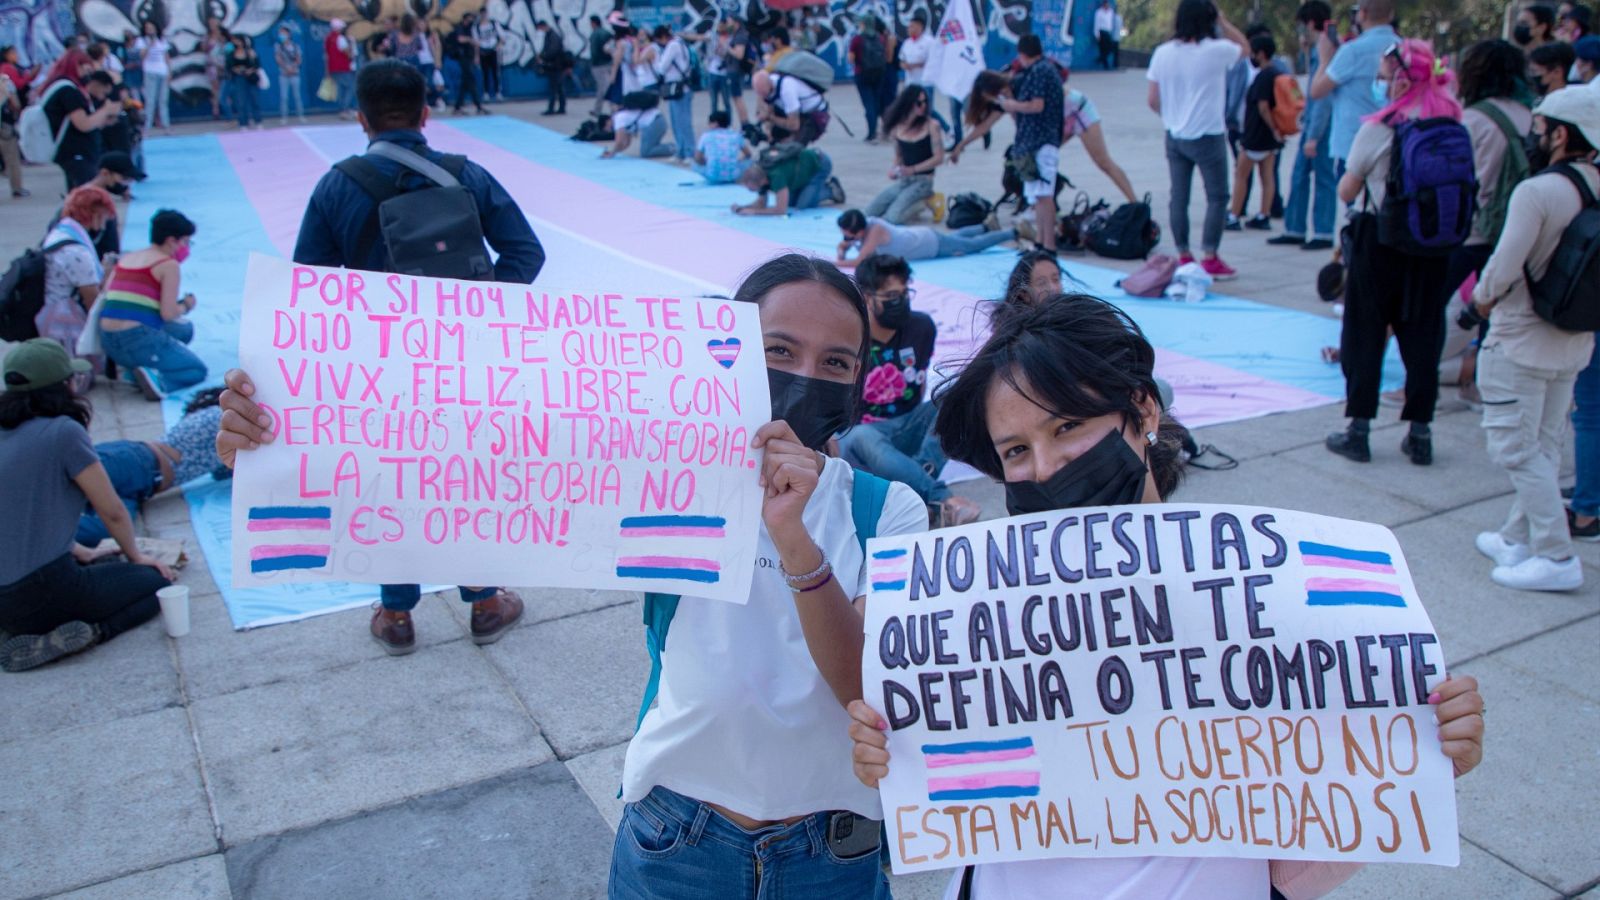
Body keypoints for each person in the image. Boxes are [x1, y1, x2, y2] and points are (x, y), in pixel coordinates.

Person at [845, 294, 1486, 900]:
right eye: (1016, 450)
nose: (1043, 467)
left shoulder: (1264, 594)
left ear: (1144, 411)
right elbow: (950, 790)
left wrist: (1412, 758)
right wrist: (897, 755)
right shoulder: (970, 607)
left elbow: (1296, 848)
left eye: (1066, 425)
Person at [606, 253, 926, 899]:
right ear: (729, 350)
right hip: (675, 838)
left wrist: (793, 536)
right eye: (778, 350)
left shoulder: (889, 510)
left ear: (858, 380)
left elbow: (865, 683)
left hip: (831, 854)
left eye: (835, 362)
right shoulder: (669, 480)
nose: (806, 377)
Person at [225, 59, 542, 654]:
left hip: (377, 366)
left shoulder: (336, 185)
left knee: (388, 475)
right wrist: (481, 307)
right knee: (465, 471)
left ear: (360, 118)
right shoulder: (467, 175)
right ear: (426, 114)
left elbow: (309, 287)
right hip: (464, 356)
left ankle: (396, 613)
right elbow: (526, 252)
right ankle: (486, 599)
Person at [1469, 86, 1598, 591]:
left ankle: (1556, 556)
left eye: (1541, 130)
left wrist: (1479, 301)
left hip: (1520, 339)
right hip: (1573, 340)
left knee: (1517, 450)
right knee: (1542, 446)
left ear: (1562, 134)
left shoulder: (1539, 191)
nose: (1535, 138)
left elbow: (1502, 269)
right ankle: (1517, 536)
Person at [1326, 40, 1464, 467]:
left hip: (1379, 240)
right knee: (1424, 335)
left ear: (1402, 77)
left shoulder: (1381, 128)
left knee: (1365, 334)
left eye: (1385, 75)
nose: (1382, 83)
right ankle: (1420, 434)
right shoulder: (1453, 125)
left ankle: (1359, 430)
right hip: (1433, 244)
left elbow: (1348, 188)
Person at [0, 339, 175, 673]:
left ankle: (19, 628)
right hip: (46, 590)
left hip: (5, 598)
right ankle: (92, 633)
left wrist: (81, 550)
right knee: (156, 585)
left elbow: (21, 516)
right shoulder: (63, 432)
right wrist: (137, 557)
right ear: (65, 386)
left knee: (89, 569)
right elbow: (110, 510)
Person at [838, 255, 980, 527]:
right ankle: (940, 498)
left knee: (958, 394)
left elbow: (920, 381)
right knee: (864, 436)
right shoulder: (847, 334)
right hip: (857, 436)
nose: (901, 301)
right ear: (867, 298)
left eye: (905, 293)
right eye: (891, 295)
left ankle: (916, 477)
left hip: (905, 424)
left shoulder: (921, 327)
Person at [1146, 0, 1249, 279]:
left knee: (1179, 196)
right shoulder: (1217, 50)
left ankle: (1183, 254)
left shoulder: (1163, 53)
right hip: (1207, 133)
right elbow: (1246, 49)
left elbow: (1152, 99)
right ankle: (1210, 255)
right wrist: (1224, 22)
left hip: (1175, 134)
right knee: (1217, 196)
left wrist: (1171, 116)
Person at [953, 35, 1065, 255]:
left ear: (1022, 54)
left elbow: (1037, 106)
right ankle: (1041, 242)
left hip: (1042, 141)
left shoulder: (1037, 72)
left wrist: (1011, 105)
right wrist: (961, 145)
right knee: (1038, 197)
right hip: (1033, 144)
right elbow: (984, 126)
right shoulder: (1029, 76)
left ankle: (1048, 245)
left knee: (1044, 196)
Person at [78, 388, 227, 545]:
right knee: (68, 480)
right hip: (135, 464)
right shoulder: (219, 417)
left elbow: (223, 474)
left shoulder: (229, 435)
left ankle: (52, 535)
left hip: (142, 484)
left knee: (108, 529)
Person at [98, 209, 206, 400]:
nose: (186, 248)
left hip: (107, 338)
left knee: (184, 330)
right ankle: (156, 380)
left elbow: (109, 296)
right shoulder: (168, 265)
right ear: (172, 240)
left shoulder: (128, 258)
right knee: (195, 369)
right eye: (186, 242)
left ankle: (135, 367)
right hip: (135, 337)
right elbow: (168, 313)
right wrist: (186, 305)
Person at [1270, 1, 1339, 250]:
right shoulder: (1317, 49)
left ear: (1310, 23)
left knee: (1322, 177)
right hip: (1313, 122)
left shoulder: (1328, 50)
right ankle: (1295, 227)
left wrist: (1314, 135)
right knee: (1299, 175)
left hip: (1320, 125)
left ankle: (1322, 231)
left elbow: (1322, 97)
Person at [1310, 0, 1400, 175]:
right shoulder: (1403, 47)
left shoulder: (1352, 51)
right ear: (1391, 15)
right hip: (1392, 139)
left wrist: (1324, 61)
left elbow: (1317, 91)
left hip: (1353, 144)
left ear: (1362, 13)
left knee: (1353, 199)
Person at [36, 186, 115, 384]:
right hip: (63, 322)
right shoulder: (77, 251)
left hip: (50, 313)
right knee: (78, 379)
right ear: (95, 213)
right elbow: (93, 302)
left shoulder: (62, 231)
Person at [1228, 34, 1286, 232]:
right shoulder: (1278, 73)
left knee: (1241, 175)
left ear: (1260, 54)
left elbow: (1262, 107)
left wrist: (1271, 127)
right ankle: (1264, 214)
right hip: (1270, 139)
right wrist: (1276, 131)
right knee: (1267, 176)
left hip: (1256, 135)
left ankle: (1234, 215)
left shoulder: (1263, 76)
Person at [863, 85, 945, 224]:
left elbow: (939, 157)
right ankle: (909, 203)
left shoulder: (932, 125)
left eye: (925, 102)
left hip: (923, 180)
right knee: (869, 212)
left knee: (893, 218)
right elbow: (899, 155)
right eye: (919, 103)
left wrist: (913, 169)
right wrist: (894, 170)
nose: (923, 106)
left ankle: (927, 201)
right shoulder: (898, 127)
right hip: (905, 180)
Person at [835, 207, 1029, 266]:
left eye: (850, 236)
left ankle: (1014, 232)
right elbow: (846, 246)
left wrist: (834, 263)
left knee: (971, 245)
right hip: (924, 239)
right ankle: (985, 226)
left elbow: (859, 261)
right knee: (958, 238)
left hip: (929, 244)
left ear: (859, 230)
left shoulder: (875, 230)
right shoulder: (864, 227)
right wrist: (843, 248)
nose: (849, 239)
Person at [42, 52, 121, 191]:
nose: (87, 74)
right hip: (75, 153)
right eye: (85, 69)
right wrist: (105, 110)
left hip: (78, 153)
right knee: (85, 196)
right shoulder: (68, 91)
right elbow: (83, 124)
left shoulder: (70, 89)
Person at [47, 149, 137, 258]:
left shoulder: (80, 198)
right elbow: (110, 247)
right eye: (124, 178)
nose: (125, 184)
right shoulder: (97, 205)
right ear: (105, 173)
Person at [733, 146, 840, 214]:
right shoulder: (760, 173)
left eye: (752, 189)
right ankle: (806, 189)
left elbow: (780, 210)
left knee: (802, 206)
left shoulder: (776, 176)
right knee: (790, 203)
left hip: (819, 165)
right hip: (801, 169)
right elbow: (761, 203)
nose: (751, 190)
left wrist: (753, 212)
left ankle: (830, 190)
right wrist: (742, 208)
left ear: (762, 182)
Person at [653, 25, 695, 164]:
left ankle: (689, 151)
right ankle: (681, 151)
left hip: (678, 87)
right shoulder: (680, 42)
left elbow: (661, 67)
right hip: (679, 87)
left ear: (664, 37)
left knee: (682, 122)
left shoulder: (672, 46)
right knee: (677, 121)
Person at [850, 15, 891, 141]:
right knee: (875, 102)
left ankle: (872, 132)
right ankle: (879, 129)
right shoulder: (880, 38)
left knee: (868, 104)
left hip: (863, 74)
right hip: (879, 74)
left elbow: (850, 58)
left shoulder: (857, 39)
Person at [693, 110, 751, 183]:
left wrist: (706, 162)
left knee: (694, 165)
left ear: (715, 124)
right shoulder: (736, 135)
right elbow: (748, 154)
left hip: (712, 176)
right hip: (733, 176)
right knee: (749, 162)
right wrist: (738, 160)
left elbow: (697, 158)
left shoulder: (706, 135)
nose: (708, 125)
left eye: (710, 123)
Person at [134, 22, 171, 132]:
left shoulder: (162, 40)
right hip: (150, 72)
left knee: (163, 100)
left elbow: (166, 56)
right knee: (150, 101)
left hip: (163, 72)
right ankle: (147, 127)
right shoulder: (141, 41)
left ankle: (166, 126)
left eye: (152, 28)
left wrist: (169, 72)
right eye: (147, 28)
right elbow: (142, 56)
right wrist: (149, 45)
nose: (150, 30)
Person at [448, 12, 486, 115]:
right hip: (463, 58)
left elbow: (476, 43)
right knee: (471, 81)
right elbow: (460, 39)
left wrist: (476, 56)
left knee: (465, 83)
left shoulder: (471, 29)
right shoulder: (460, 28)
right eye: (469, 19)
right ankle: (478, 106)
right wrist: (470, 40)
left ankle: (458, 107)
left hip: (469, 57)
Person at [226, 33, 263, 129]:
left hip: (250, 78)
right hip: (239, 78)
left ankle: (258, 121)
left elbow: (257, 64)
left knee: (255, 100)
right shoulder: (231, 53)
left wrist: (250, 70)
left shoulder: (250, 52)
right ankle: (243, 122)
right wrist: (237, 70)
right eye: (234, 41)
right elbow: (229, 66)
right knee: (241, 101)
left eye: (237, 40)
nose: (236, 42)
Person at [537, 20, 571, 115]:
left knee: (554, 88)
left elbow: (553, 51)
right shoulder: (551, 35)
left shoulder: (552, 36)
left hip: (556, 66)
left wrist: (543, 57)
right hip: (556, 66)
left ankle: (552, 108)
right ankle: (561, 108)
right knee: (559, 87)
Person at [324, 19, 356, 119]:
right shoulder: (340, 38)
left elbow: (326, 55)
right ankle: (344, 109)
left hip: (333, 68)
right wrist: (352, 45)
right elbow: (348, 54)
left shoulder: (328, 38)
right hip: (343, 67)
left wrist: (327, 70)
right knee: (350, 87)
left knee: (341, 89)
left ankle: (344, 109)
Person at [1, 68, 26, 199]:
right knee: (12, 159)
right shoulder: (5, 81)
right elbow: (15, 103)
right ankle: (17, 188)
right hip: (5, 125)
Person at [274, 25, 305, 124]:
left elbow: (299, 59)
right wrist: (286, 68)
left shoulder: (295, 46)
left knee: (297, 96)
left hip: (295, 73)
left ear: (289, 34)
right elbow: (278, 59)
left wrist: (293, 67)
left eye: (284, 33)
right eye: (280, 33)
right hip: (284, 74)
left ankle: (301, 116)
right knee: (284, 97)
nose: (282, 35)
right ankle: (284, 117)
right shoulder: (278, 46)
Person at [588, 14, 614, 115]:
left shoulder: (595, 34)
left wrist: (594, 62)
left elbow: (594, 51)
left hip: (598, 65)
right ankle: (599, 109)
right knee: (604, 87)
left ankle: (610, 108)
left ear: (593, 23)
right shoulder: (607, 33)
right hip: (608, 63)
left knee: (603, 88)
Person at [475, 13, 501, 101]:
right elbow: (476, 42)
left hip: (493, 50)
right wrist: (477, 56)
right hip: (483, 52)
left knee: (495, 73)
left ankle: (497, 92)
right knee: (485, 73)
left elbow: (502, 37)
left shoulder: (494, 24)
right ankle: (486, 93)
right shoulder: (477, 27)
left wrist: (498, 46)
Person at [1095, 0, 1122, 69]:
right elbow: (1096, 24)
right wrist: (1097, 34)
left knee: (1109, 48)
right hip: (1102, 32)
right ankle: (1105, 65)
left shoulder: (1110, 12)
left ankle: (1101, 59)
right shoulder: (1099, 12)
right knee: (1103, 49)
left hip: (1108, 32)